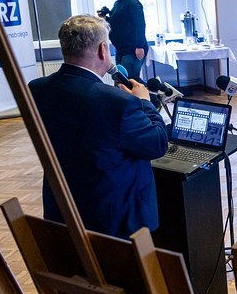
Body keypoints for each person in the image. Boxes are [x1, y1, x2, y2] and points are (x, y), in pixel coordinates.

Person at [29, 15, 168, 238]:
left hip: (62, 210)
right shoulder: (119, 102)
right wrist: (145, 102)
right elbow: (157, 143)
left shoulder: (37, 89)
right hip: (114, 221)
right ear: (103, 49)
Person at [101, 0, 148, 81]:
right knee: (120, 80)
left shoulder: (132, 3)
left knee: (129, 81)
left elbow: (140, 25)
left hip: (132, 50)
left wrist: (139, 46)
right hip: (121, 49)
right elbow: (116, 23)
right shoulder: (118, 3)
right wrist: (105, 18)